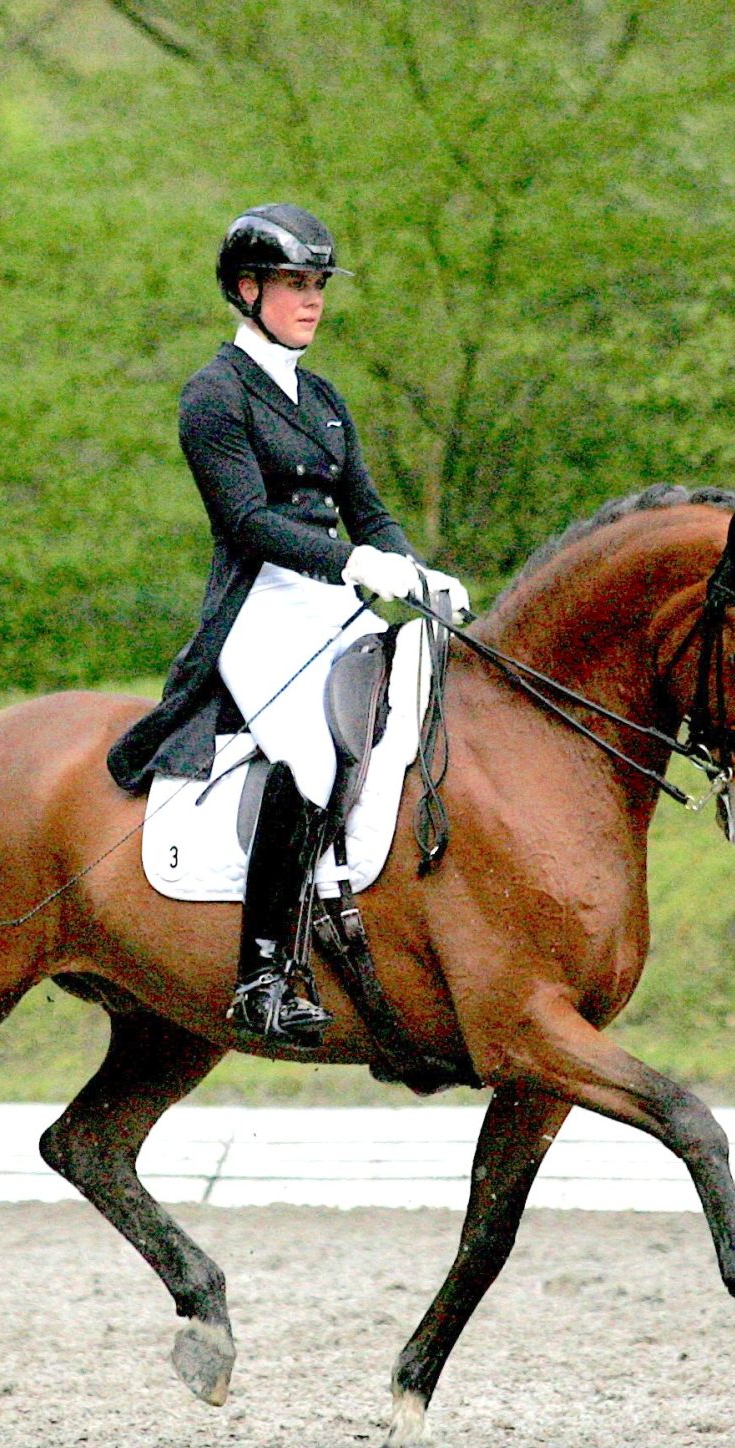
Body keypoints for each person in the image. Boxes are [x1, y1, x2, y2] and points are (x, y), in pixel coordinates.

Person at [106, 203, 469, 1047]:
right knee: (310, 757)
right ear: (247, 289)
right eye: (295, 285)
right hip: (260, 609)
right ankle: (263, 974)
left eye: (318, 287)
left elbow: (367, 511)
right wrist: (354, 565)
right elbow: (245, 521)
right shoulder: (213, 395)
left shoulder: (322, 394)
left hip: (332, 602)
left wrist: (412, 572)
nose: (312, 301)